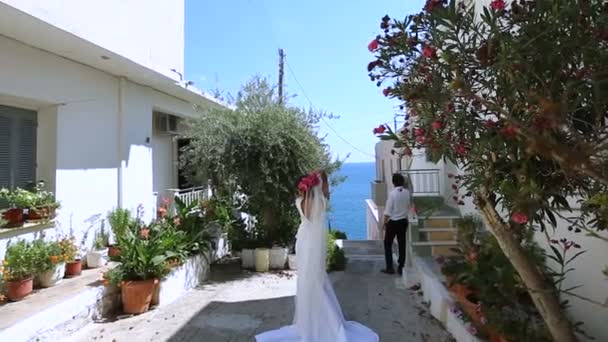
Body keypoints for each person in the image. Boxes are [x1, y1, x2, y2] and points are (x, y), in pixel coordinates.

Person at [256, 170, 379, 342]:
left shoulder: (300, 201)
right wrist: (322, 178)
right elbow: (326, 193)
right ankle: (324, 320)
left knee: (309, 279)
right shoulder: (321, 201)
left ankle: (311, 321)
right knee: (315, 279)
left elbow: (307, 212)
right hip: (310, 242)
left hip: (304, 241)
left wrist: (312, 184)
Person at [381, 173, 411, 276]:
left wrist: (384, 224)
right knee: (402, 244)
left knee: (387, 244)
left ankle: (389, 268)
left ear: (393, 182)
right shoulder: (407, 193)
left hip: (393, 222)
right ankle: (401, 267)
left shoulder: (392, 194)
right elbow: (408, 206)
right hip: (403, 221)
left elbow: (388, 211)